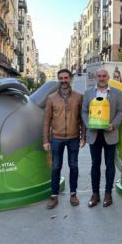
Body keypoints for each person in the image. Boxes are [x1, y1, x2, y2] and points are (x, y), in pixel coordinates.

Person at [43, 69, 86, 209]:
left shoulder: (79, 97)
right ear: (58, 79)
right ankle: (54, 195)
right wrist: (46, 140)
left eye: (66, 78)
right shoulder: (51, 98)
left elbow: (82, 119)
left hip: (74, 138)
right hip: (56, 138)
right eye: (61, 78)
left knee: (73, 166)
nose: (63, 81)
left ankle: (73, 194)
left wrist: (83, 136)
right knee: (56, 167)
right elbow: (46, 121)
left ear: (70, 79)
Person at [82, 69, 122, 208]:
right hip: (94, 134)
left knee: (110, 165)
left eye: (104, 76)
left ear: (108, 77)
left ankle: (108, 193)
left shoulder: (117, 93)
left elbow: (120, 112)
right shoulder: (88, 93)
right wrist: (88, 123)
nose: (101, 78)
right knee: (95, 165)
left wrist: (113, 125)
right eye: (99, 76)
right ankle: (95, 194)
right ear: (96, 77)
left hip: (110, 134)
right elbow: (84, 111)